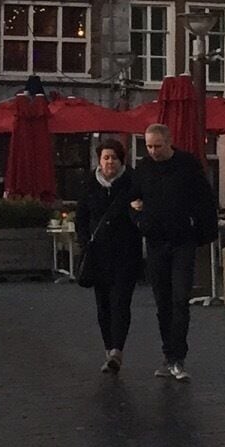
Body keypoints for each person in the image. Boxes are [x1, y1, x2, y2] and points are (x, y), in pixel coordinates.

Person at [128, 121, 218, 382]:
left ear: (169, 143)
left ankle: (178, 356)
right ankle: (168, 355)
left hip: (182, 241)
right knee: (162, 302)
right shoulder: (143, 168)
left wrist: (201, 232)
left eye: (157, 146)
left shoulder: (187, 165)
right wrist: (140, 221)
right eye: (149, 146)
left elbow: (205, 200)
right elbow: (131, 201)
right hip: (156, 242)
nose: (153, 151)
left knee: (180, 299)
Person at [75, 140, 143, 374]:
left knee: (121, 302)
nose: (110, 162)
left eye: (114, 158)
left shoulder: (132, 182)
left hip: (125, 253)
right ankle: (108, 349)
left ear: (121, 160)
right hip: (98, 254)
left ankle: (117, 351)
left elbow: (139, 214)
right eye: (106, 158)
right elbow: (81, 217)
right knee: (103, 304)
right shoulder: (89, 184)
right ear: (99, 160)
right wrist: (84, 243)